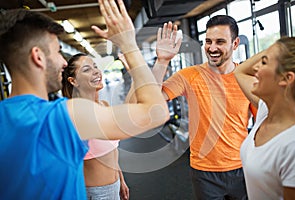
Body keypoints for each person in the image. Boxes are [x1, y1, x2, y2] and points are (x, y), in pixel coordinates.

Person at [0, 0, 169, 199]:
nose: (63, 62)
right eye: (56, 52)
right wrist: (128, 44)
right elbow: (155, 111)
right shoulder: (65, 116)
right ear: (38, 57)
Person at [149, 16, 255, 199]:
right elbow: (151, 100)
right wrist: (162, 61)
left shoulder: (248, 79)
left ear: (235, 43)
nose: (212, 48)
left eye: (220, 42)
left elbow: (263, 123)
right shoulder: (189, 76)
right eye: (208, 41)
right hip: (204, 172)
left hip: (243, 167)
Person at [234, 37, 295, 199]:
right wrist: (278, 47)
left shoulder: (294, 145)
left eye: (264, 63)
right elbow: (240, 71)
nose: (255, 67)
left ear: (286, 78)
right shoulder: (266, 109)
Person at [62, 53, 129, 200]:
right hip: (95, 193)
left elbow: (112, 153)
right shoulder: (76, 113)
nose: (96, 71)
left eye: (95, 67)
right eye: (87, 69)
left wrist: (121, 180)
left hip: (114, 185)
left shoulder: (103, 105)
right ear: (73, 81)